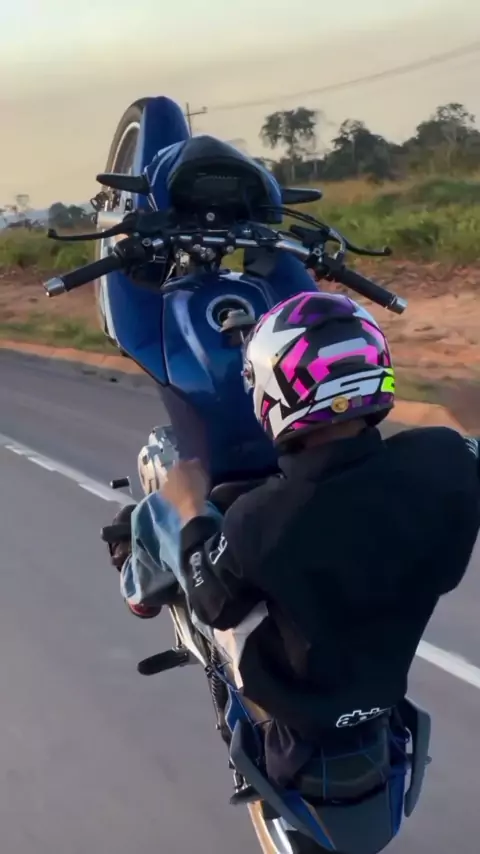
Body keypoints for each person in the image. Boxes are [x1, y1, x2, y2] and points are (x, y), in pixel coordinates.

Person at [107, 291, 480, 786]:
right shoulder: (446, 460)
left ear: (273, 394)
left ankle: (138, 588)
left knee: (159, 510)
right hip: (381, 674)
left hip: (294, 697)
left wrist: (190, 508)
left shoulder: (260, 520)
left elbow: (212, 604)